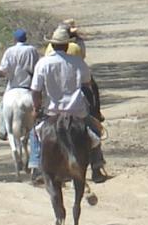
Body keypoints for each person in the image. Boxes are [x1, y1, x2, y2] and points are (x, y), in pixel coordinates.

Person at [30, 24, 108, 182]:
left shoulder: (43, 64)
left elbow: (36, 90)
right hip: (77, 111)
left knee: (35, 133)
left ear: (52, 45)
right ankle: (96, 166)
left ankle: (37, 166)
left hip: (53, 112)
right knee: (94, 132)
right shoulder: (78, 62)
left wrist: (36, 108)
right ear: (67, 45)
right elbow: (87, 84)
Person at [0, 29, 39, 140]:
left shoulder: (9, 51)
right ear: (25, 39)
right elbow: (37, 68)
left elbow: (3, 69)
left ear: (15, 39)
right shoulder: (32, 50)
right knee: (39, 106)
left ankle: (3, 130)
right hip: (30, 86)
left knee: (2, 105)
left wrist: (4, 74)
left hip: (13, 86)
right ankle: (38, 129)